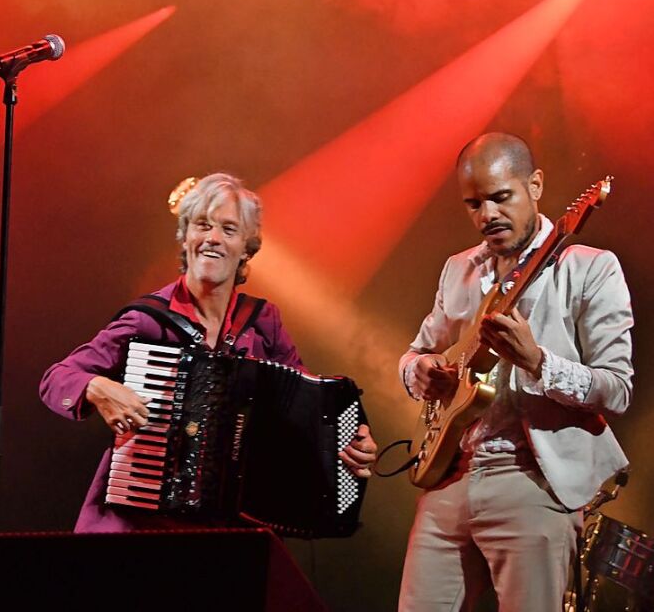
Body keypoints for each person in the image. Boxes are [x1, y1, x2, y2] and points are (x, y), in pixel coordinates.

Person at [40, 172, 376, 532]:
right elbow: (57, 379)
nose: (212, 238)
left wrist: (351, 441)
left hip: (231, 530)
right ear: (185, 238)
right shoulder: (148, 320)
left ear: (246, 249)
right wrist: (96, 387)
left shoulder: (264, 322)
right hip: (140, 524)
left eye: (228, 230)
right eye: (202, 225)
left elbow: (309, 410)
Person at [397, 133, 633, 611]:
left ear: (536, 185)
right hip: (453, 475)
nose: (488, 215)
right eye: (474, 203)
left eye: (501, 197)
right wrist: (421, 371)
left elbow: (618, 389)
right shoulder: (458, 270)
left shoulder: (591, 268)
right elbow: (415, 353)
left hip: (534, 481)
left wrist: (538, 363)